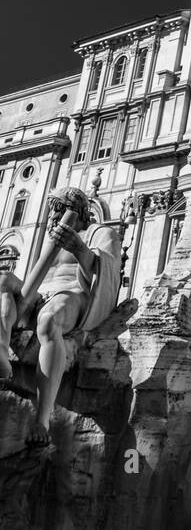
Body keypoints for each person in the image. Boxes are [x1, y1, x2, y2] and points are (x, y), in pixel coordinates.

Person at [0, 186, 121, 443]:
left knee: (48, 319)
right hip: (42, 294)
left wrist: (80, 249)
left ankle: (42, 419)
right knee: (2, 280)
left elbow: (110, 276)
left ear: (74, 212)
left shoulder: (101, 233)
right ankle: (1, 349)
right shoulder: (48, 236)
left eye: (56, 212)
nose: (52, 219)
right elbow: (34, 276)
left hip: (74, 296)